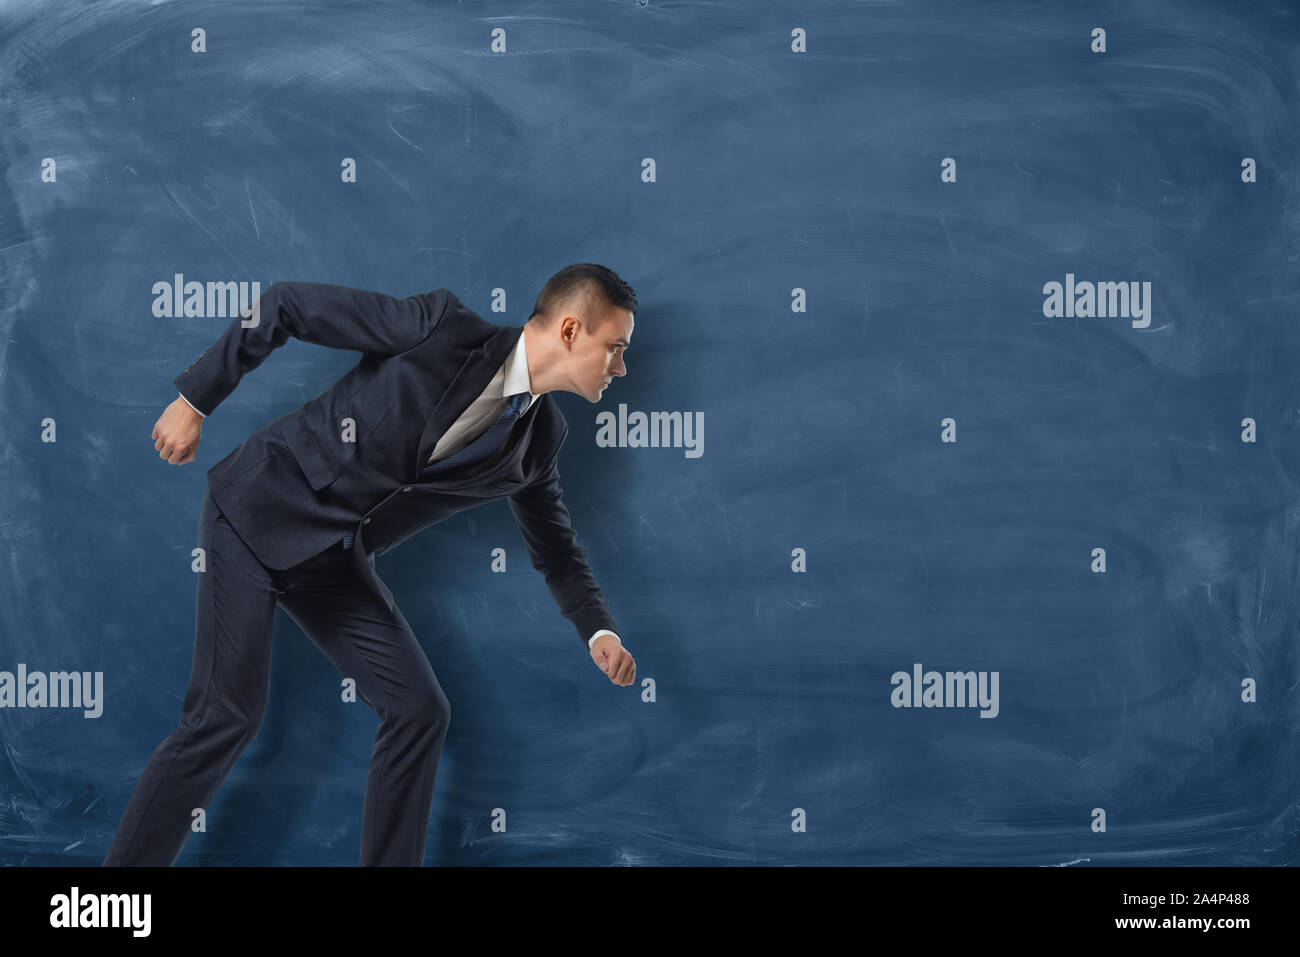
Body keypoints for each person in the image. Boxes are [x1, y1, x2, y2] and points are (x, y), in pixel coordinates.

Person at [103, 262, 637, 866]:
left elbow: (557, 548)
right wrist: (195, 399)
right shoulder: (441, 327)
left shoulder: (539, 440)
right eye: (615, 348)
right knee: (225, 716)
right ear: (570, 330)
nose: (621, 366)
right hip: (259, 509)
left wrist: (599, 628)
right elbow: (287, 305)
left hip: (332, 556)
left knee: (419, 711)